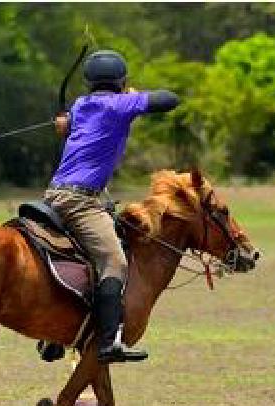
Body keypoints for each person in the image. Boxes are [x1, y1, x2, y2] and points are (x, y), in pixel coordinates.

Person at [44, 49, 180, 364]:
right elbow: (170, 99)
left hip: (54, 194)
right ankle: (108, 341)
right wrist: (134, 96)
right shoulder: (120, 104)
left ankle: (53, 337)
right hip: (80, 201)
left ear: (90, 81)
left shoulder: (80, 105)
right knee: (115, 264)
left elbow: (69, 122)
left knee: (76, 259)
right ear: (121, 81)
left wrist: (65, 122)